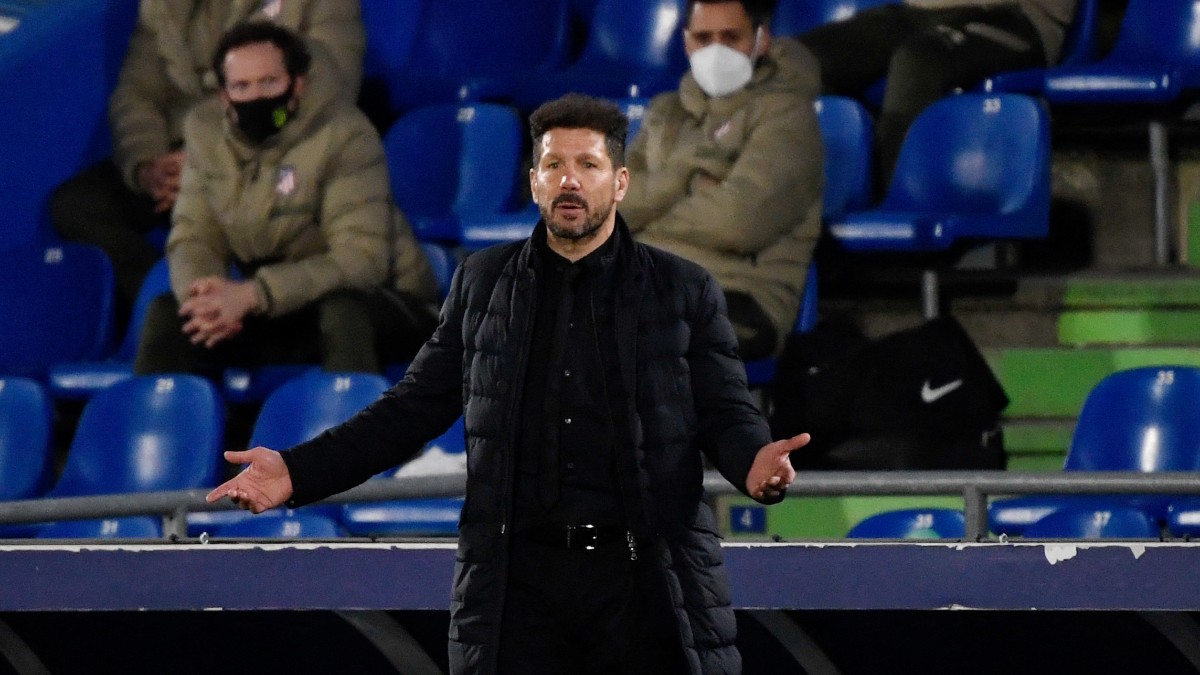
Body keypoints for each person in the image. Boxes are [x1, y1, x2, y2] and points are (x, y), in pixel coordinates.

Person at [207, 93, 810, 674]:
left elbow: (725, 409)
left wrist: (755, 462)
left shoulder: (684, 288)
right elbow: (410, 409)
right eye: (554, 165)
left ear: (620, 183)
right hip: (516, 593)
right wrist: (297, 471)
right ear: (533, 182)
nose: (569, 181)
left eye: (588, 166)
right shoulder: (481, 284)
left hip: (645, 589)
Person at [133, 22, 437, 376]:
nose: (257, 97)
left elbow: (361, 261)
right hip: (281, 305)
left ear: (297, 84)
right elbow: (193, 236)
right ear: (224, 96)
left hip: (381, 301)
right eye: (242, 86)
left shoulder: (345, 134)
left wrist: (253, 295)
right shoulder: (206, 137)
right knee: (171, 315)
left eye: (269, 82)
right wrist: (206, 301)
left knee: (341, 313)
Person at [50, 0, 364, 330]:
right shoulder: (162, 7)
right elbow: (136, 94)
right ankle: (176, 309)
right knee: (79, 206)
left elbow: (325, 92)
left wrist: (210, 157)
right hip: (174, 159)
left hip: (269, 152)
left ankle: (240, 319)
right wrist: (148, 166)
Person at [620, 0, 823, 362]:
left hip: (738, 297)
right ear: (686, 43)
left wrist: (646, 214)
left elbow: (738, 223)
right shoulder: (666, 113)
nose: (716, 50)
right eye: (703, 37)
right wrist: (684, 178)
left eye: (731, 37)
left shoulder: (788, 116)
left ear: (761, 41)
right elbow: (607, 209)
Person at [796, 0, 1077, 186]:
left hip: (1014, 16)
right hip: (920, 12)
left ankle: (896, 201)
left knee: (918, 62)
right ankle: (831, 191)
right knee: (791, 63)